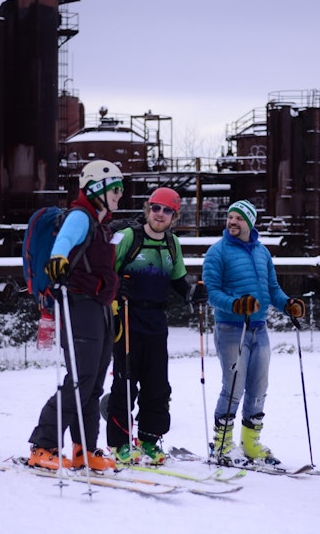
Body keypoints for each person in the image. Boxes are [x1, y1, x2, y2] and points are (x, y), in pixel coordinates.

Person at [26, 159, 123, 472]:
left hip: (99, 308)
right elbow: (65, 240)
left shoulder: (100, 223)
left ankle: (84, 448)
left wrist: (111, 309)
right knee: (80, 379)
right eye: (116, 189)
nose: (120, 195)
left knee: (94, 384)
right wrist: (57, 259)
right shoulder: (81, 216)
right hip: (79, 305)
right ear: (96, 187)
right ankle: (43, 445)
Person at [202, 200, 305, 465]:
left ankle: (250, 442)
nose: (232, 222)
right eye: (230, 217)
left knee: (259, 387)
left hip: (259, 329)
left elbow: (272, 289)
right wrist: (235, 305)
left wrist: (288, 305)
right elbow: (211, 293)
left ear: (250, 222)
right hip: (231, 329)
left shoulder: (262, 253)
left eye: (239, 218)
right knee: (234, 387)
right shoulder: (218, 252)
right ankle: (222, 444)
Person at [106, 187, 191, 465]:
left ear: (174, 216)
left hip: (157, 320)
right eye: (156, 208)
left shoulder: (172, 243)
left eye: (167, 211)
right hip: (128, 318)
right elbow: (106, 273)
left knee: (157, 385)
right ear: (148, 209)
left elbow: (178, 278)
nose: (160, 214)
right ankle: (119, 443)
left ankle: (149, 440)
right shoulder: (129, 237)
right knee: (125, 381)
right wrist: (118, 286)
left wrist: (191, 293)